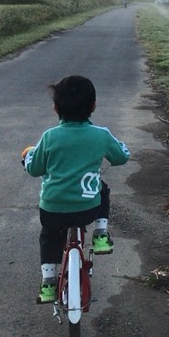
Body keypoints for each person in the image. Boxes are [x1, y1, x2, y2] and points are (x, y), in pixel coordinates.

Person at [22, 75, 131, 304]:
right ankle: (101, 235)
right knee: (102, 190)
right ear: (93, 106)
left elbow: (34, 169)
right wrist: (122, 148)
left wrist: (28, 156)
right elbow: (120, 158)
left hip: (52, 210)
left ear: (55, 108)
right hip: (87, 209)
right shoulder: (101, 135)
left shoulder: (49, 137)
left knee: (50, 236)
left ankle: (49, 283)